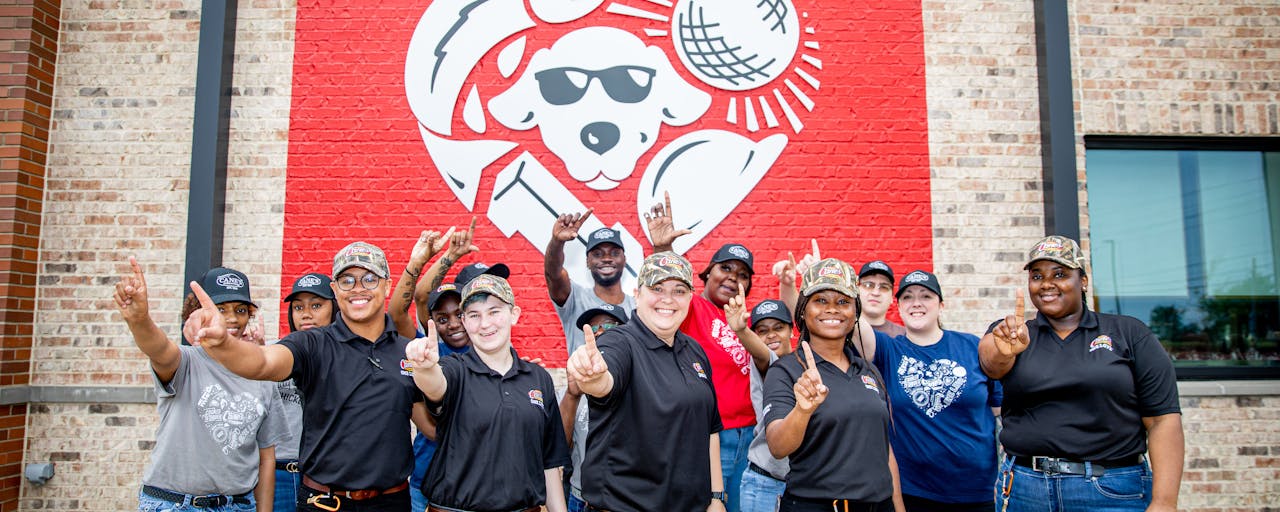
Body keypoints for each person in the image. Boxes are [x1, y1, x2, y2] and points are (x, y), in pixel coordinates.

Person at [185, 241, 432, 511]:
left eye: (369, 279)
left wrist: (437, 378)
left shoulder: (406, 352)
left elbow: (431, 428)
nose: (358, 288)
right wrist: (224, 343)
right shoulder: (311, 344)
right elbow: (263, 362)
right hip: (325, 503)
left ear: (386, 285)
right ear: (336, 291)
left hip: (392, 503)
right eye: (347, 280)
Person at [980, 236, 1184, 512]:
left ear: (1084, 281)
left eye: (1060, 274)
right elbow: (991, 363)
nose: (1047, 283)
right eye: (1037, 276)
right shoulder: (1016, 333)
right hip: (1026, 488)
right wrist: (1005, 351)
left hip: (1111, 490)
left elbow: (1162, 420)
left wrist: (1164, 501)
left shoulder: (1129, 333)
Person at [115, 259, 288, 512]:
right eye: (220, 308)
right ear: (198, 310)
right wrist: (139, 320)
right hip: (174, 504)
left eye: (240, 310)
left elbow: (266, 459)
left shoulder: (261, 375)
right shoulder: (185, 362)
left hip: (238, 505)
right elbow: (158, 347)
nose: (232, 318)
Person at [567, 252, 727, 512]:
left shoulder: (695, 351)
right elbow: (604, 382)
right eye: (657, 288)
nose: (667, 299)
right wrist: (594, 378)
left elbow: (709, 430)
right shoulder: (619, 342)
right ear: (637, 294)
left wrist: (716, 497)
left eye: (679, 290)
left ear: (690, 298)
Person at [647, 194, 771, 512]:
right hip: (713, 435)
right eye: (725, 268)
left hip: (750, 433)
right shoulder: (694, 307)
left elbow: (766, 363)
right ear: (706, 274)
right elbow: (671, 289)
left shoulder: (741, 319)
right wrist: (663, 250)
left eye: (743, 274)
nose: (733, 277)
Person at [405, 274, 570, 512]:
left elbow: (549, 464)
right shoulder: (454, 370)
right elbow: (435, 385)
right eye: (474, 315)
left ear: (514, 314)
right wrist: (424, 367)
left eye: (494, 311)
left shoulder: (538, 378)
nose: (485, 324)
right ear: (464, 321)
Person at [763, 258, 903, 512]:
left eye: (842, 302)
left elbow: (883, 449)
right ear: (803, 310)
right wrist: (802, 410)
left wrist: (898, 506)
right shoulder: (786, 370)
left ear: (855, 313)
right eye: (820, 301)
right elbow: (777, 447)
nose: (832, 309)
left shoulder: (868, 370)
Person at [859, 270, 1000, 511]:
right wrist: (831, 278)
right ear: (899, 306)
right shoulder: (888, 350)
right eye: (907, 297)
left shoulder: (972, 346)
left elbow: (1000, 413)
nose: (916, 303)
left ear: (941, 305)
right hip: (914, 491)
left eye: (925, 296)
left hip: (977, 491)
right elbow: (851, 323)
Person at [544, 211, 636, 511]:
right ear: (586, 261)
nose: (605, 258)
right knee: (580, 484)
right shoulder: (577, 299)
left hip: (624, 406)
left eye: (613, 252)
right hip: (580, 409)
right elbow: (554, 276)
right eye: (597, 253)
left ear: (624, 258)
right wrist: (557, 243)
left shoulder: (637, 307)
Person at [273, 272, 339, 511]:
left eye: (316, 305)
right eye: (298, 307)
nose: (306, 313)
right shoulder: (276, 353)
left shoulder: (347, 358)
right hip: (277, 472)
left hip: (323, 475)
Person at [728, 298, 793, 512]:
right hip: (766, 483)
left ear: (792, 330)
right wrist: (742, 331)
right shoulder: (768, 364)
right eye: (762, 331)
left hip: (802, 484)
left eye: (779, 328)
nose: (771, 335)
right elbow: (763, 353)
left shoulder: (805, 362)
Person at [858, 261, 906, 337]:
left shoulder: (905, 337)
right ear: (857, 291)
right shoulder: (842, 332)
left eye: (884, 287)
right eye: (868, 285)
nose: (875, 293)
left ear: (892, 297)